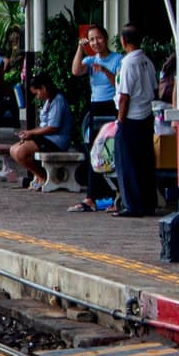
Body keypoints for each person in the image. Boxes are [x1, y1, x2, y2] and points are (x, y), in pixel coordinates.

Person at [68, 23, 124, 213]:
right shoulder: (90, 59)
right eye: (91, 39)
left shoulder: (118, 59)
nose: (96, 42)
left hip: (112, 106)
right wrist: (80, 48)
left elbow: (120, 85)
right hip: (95, 107)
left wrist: (105, 71)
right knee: (95, 152)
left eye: (98, 38)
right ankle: (92, 197)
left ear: (106, 38)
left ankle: (116, 194)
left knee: (112, 152)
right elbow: (76, 71)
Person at [113, 24, 159, 217]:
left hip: (131, 118)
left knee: (127, 163)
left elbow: (124, 96)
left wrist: (120, 121)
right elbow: (155, 88)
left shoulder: (128, 63)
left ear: (124, 41)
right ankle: (148, 202)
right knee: (145, 162)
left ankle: (132, 204)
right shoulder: (147, 61)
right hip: (147, 116)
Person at [9, 73, 73, 190]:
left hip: (57, 140)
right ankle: (38, 176)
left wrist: (32, 133)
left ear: (43, 88)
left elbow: (53, 127)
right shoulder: (48, 101)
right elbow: (43, 126)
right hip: (47, 138)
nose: (37, 96)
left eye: (37, 93)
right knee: (13, 150)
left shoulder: (58, 101)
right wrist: (28, 133)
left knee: (21, 152)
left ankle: (42, 176)